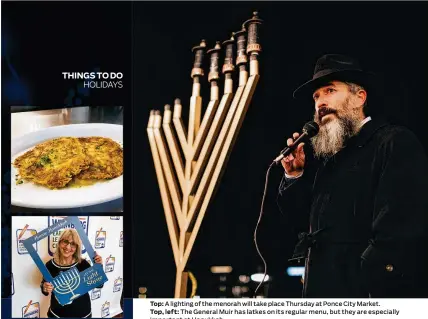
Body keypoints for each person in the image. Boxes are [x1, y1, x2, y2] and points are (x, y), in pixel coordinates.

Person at [278, 54, 428, 298]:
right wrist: (294, 175)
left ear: (360, 98)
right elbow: (301, 222)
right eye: (316, 96)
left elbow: (400, 227)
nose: (320, 103)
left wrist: (365, 277)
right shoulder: (329, 157)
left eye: (329, 90)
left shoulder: (393, 141)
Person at [40, 229, 103, 317]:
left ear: (77, 247)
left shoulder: (83, 264)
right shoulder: (50, 265)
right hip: (57, 314)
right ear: (59, 243)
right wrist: (44, 287)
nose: (68, 247)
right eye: (65, 242)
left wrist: (98, 267)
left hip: (83, 314)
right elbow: (45, 290)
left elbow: (99, 285)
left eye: (73, 244)